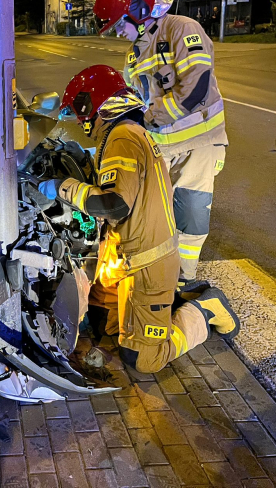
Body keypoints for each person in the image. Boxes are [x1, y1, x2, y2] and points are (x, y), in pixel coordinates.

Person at [38, 65, 239, 373]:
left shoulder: (122, 138)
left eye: (82, 109)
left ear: (97, 104)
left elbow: (115, 205)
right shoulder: (125, 133)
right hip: (128, 259)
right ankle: (175, 298)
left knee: (143, 359)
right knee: (102, 323)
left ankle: (206, 308)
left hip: (147, 266)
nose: (81, 119)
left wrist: (62, 187)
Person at [93, 0, 228, 288]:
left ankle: (185, 280)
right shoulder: (135, 52)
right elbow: (136, 101)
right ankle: (159, 277)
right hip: (161, 148)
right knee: (155, 217)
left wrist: (151, 118)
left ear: (137, 10)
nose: (116, 32)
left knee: (191, 214)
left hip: (198, 143)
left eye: (118, 24)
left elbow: (196, 87)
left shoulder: (181, 29)